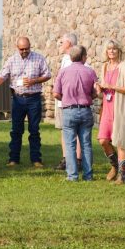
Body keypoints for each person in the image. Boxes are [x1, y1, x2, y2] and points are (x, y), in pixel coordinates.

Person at [0, 36, 51, 167]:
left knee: (34, 130)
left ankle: (36, 159)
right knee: (16, 130)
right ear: (17, 48)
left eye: (27, 48)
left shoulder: (39, 58)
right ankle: (13, 159)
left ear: (30, 46)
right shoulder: (11, 60)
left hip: (34, 98)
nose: (24, 51)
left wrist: (34, 81)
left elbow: (47, 75)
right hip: (18, 99)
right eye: (22, 49)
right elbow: (2, 77)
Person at [53, 45, 98, 181]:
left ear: (71, 57)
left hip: (69, 110)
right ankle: (88, 175)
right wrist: (89, 97)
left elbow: (56, 93)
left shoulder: (63, 72)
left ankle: (72, 175)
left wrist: (66, 99)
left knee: (70, 144)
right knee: (86, 144)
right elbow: (96, 92)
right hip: (85, 110)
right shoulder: (90, 72)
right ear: (83, 57)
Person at [96, 40, 125, 184]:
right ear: (106, 52)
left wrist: (112, 86)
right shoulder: (105, 67)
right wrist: (100, 88)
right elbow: (104, 87)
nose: (111, 51)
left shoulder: (124, 67)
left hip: (120, 110)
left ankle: (122, 176)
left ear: (119, 51)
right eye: (109, 49)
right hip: (107, 109)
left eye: (114, 49)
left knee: (121, 142)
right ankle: (114, 166)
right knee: (103, 140)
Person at [54, 32, 79, 171]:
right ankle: (66, 159)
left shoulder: (75, 59)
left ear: (69, 43)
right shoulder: (65, 58)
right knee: (64, 131)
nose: (60, 45)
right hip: (62, 101)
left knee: (76, 132)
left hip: (70, 102)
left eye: (62, 42)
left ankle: (77, 159)